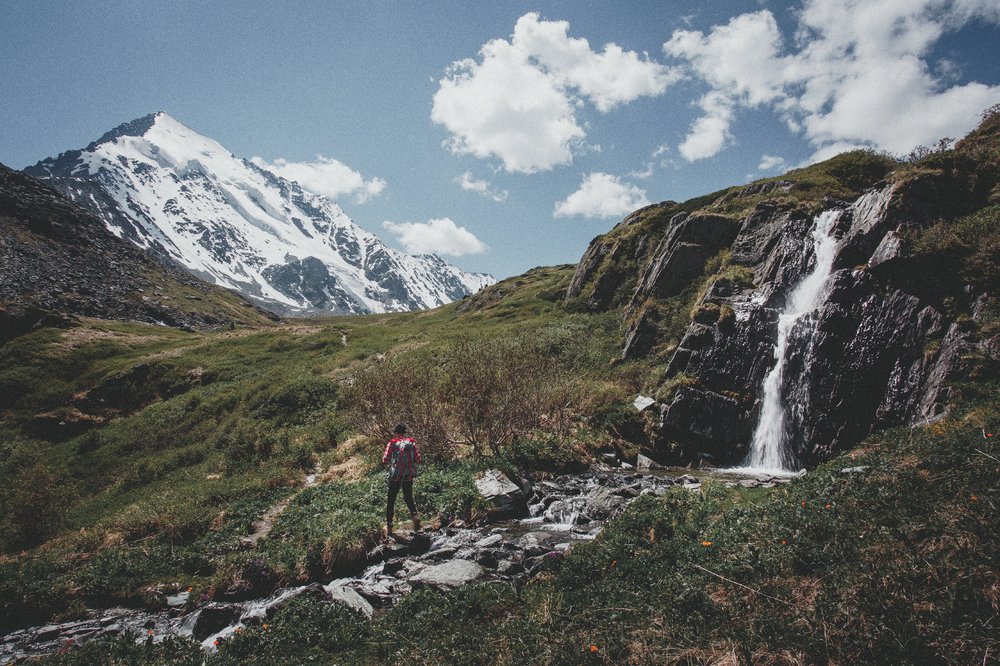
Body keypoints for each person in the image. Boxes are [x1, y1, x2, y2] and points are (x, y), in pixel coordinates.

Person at [382, 423, 421, 537]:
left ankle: (389, 526)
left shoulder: (392, 443)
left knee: (391, 499)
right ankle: (415, 517)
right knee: (408, 496)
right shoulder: (411, 443)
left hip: (396, 476)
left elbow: (385, 459)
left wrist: (392, 463)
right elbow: (418, 459)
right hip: (408, 474)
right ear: (405, 432)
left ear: (396, 432)